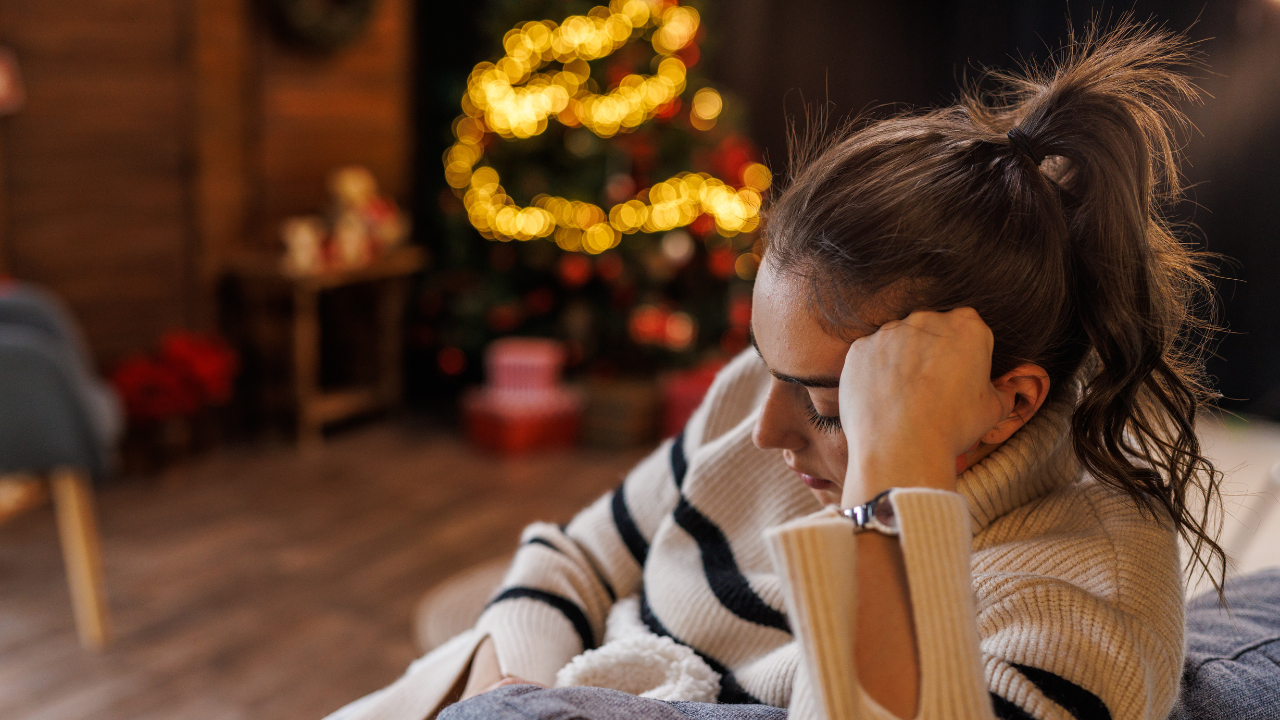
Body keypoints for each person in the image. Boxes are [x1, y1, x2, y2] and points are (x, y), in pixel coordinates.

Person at [327, 21, 1224, 720]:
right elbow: (574, 558)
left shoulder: (1083, 608)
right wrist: (516, 691)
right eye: (768, 367)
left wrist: (895, 477)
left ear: (1005, 401)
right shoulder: (766, 399)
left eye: (835, 405)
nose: (763, 429)